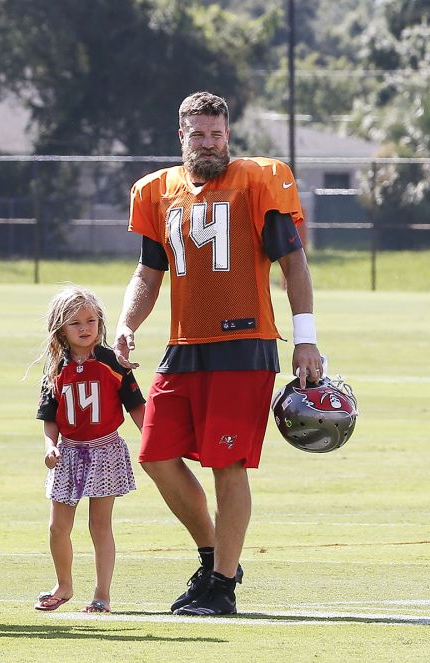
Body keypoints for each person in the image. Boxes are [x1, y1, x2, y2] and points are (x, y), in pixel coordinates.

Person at [114, 91, 325, 616]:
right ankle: (214, 558)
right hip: (184, 345)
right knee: (156, 456)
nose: (207, 143)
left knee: (226, 464)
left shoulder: (256, 181)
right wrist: (125, 323)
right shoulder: (158, 190)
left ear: (227, 135)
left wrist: (305, 336)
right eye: (197, 134)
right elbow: (148, 271)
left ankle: (223, 587)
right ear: (180, 135)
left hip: (243, 343)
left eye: (215, 134)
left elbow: (293, 264)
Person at [34, 286, 145, 614]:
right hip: (68, 454)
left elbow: (138, 407)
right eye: (76, 323)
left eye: (91, 321)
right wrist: (50, 447)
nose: (85, 328)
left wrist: (155, 441)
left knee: (99, 524)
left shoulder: (113, 362)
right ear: (60, 329)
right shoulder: (56, 369)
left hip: (105, 450)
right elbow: (49, 418)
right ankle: (63, 585)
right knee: (58, 526)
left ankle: (102, 595)